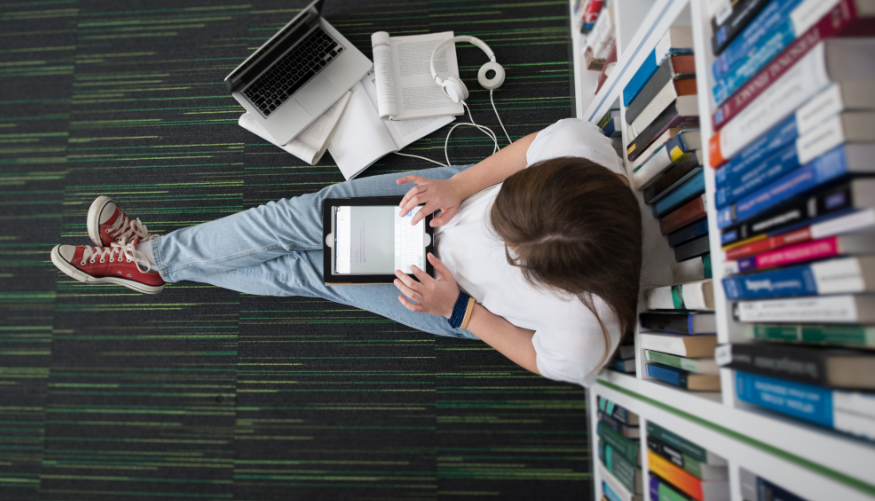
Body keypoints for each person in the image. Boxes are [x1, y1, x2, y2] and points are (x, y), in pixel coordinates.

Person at [50, 118, 642, 386]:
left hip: (454, 295)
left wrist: (460, 312)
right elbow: (531, 148)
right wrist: (463, 188)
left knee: (307, 270)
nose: (499, 233)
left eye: (507, 246)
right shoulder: (581, 150)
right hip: (451, 200)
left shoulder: (586, 335)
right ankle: (156, 260)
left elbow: (538, 356)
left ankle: (152, 261)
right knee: (296, 218)